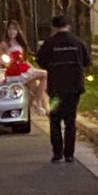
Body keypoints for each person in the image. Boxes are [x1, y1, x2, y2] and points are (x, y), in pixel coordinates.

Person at [37, 15, 91, 163]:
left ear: (54, 27)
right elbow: (87, 61)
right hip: (74, 88)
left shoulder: (49, 43)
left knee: (55, 119)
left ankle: (57, 153)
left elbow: (41, 61)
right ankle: (69, 154)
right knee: (70, 120)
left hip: (56, 89)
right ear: (68, 26)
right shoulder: (78, 42)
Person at [0, 19, 49, 113]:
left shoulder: (20, 43)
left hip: (24, 68)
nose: (11, 31)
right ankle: (37, 103)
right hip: (16, 71)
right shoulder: (5, 44)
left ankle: (38, 107)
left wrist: (33, 68)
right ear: (7, 31)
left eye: (14, 29)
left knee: (35, 88)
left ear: (17, 31)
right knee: (44, 74)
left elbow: (24, 60)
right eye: (9, 29)